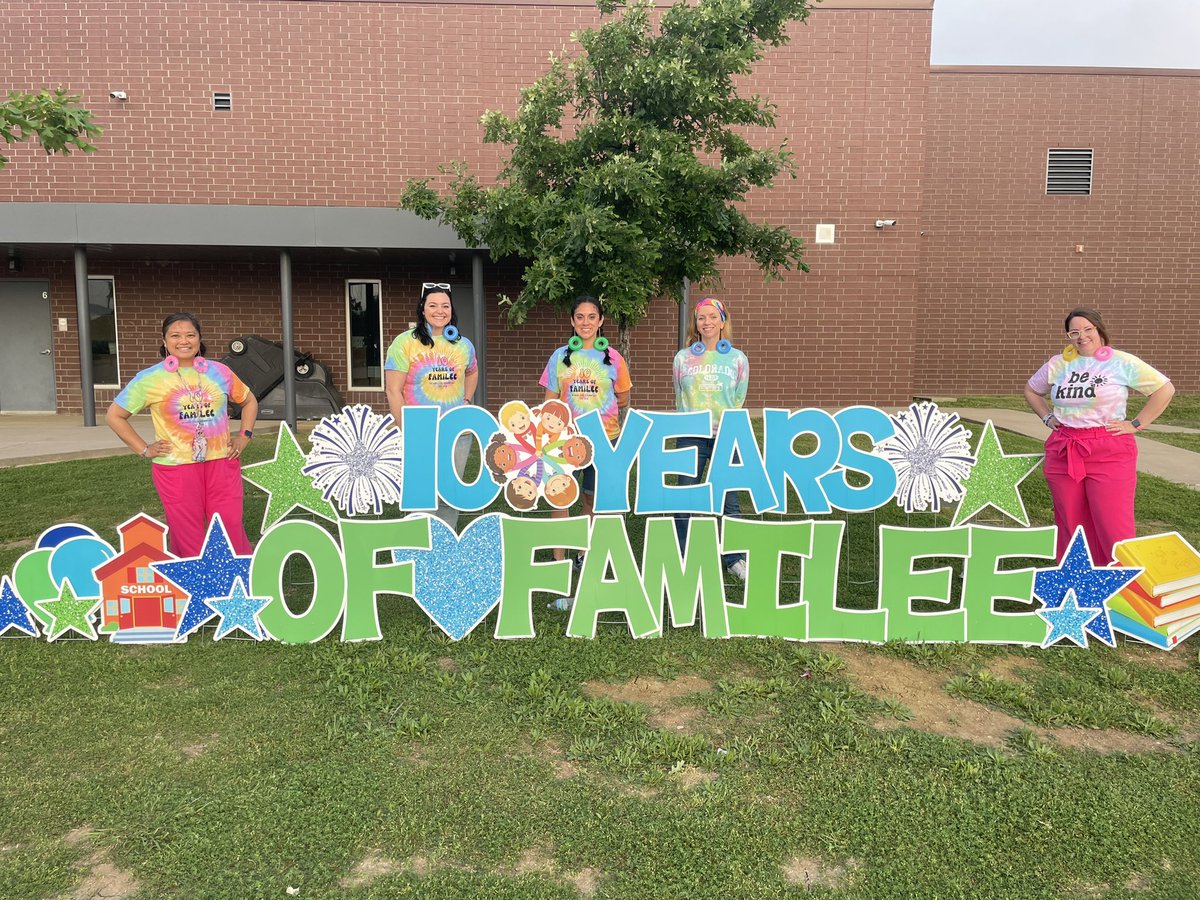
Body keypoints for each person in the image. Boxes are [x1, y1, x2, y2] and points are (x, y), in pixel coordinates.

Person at [1024, 307, 1174, 563]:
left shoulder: (1121, 361)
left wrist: (1136, 423)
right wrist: (1047, 417)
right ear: (1069, 336)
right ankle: (1074, 586)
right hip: (1065, 448)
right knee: (1070, 522)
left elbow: (1164, 389)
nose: (1081, 336)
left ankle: (1122, 589)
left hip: (1109, 449)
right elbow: (1031, 390)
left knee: (1113, 525)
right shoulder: (1058, 363)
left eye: (1087, 329)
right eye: (1074, 332)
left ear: (1099, 329)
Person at [106, 312, 257, 557]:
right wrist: (144, 449)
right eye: (175, 335)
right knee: (189, 533)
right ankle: (194, 589)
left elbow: (249, 401)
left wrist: (245, 435)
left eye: (190, 335)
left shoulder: (219, 371)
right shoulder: (150, 379)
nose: (183, 341)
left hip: (222, 462)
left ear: (199, 339)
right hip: (176, 468)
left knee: (229, 526)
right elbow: (114, 415)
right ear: (165, 342)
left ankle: (240, 583)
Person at [540, 296, 632, 608]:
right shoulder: (560, 357)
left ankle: (584, 554)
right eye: (580, 317)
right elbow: (550, 401)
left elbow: (622, 398)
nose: (586, 322)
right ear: (572, 322)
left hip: (603, 439)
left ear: (601, 320)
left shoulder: (614, 358)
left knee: (592, 499)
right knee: (560, 497)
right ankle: (559, 558)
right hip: (564, 439)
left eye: (592, 316)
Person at [385, 283, 478, 530]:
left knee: (450, 494)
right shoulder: (404, 343)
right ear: (422, 309)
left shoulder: (463, 344)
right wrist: (405, 428)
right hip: (420, 431)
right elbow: (393, 390)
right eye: (433, 305)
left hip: (456, 433)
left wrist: (466, 400)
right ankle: (418, 548)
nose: (440, 310)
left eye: (445, 305)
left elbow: (472, 371)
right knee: (421, 496)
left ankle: (444, 547)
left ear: (452, 310)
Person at [672, 297, 750, 581]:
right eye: (701, 318)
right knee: (684, 499)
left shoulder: (737, 359)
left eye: (712, 317)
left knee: (729, 502)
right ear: (696, 322)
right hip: (692, 435)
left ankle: (734, 560)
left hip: (725, 436)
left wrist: (724, 425)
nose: (707, 322)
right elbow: (680, 396)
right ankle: (683, 557)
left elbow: (739, 398)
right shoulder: (683, 358)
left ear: (722, 321)